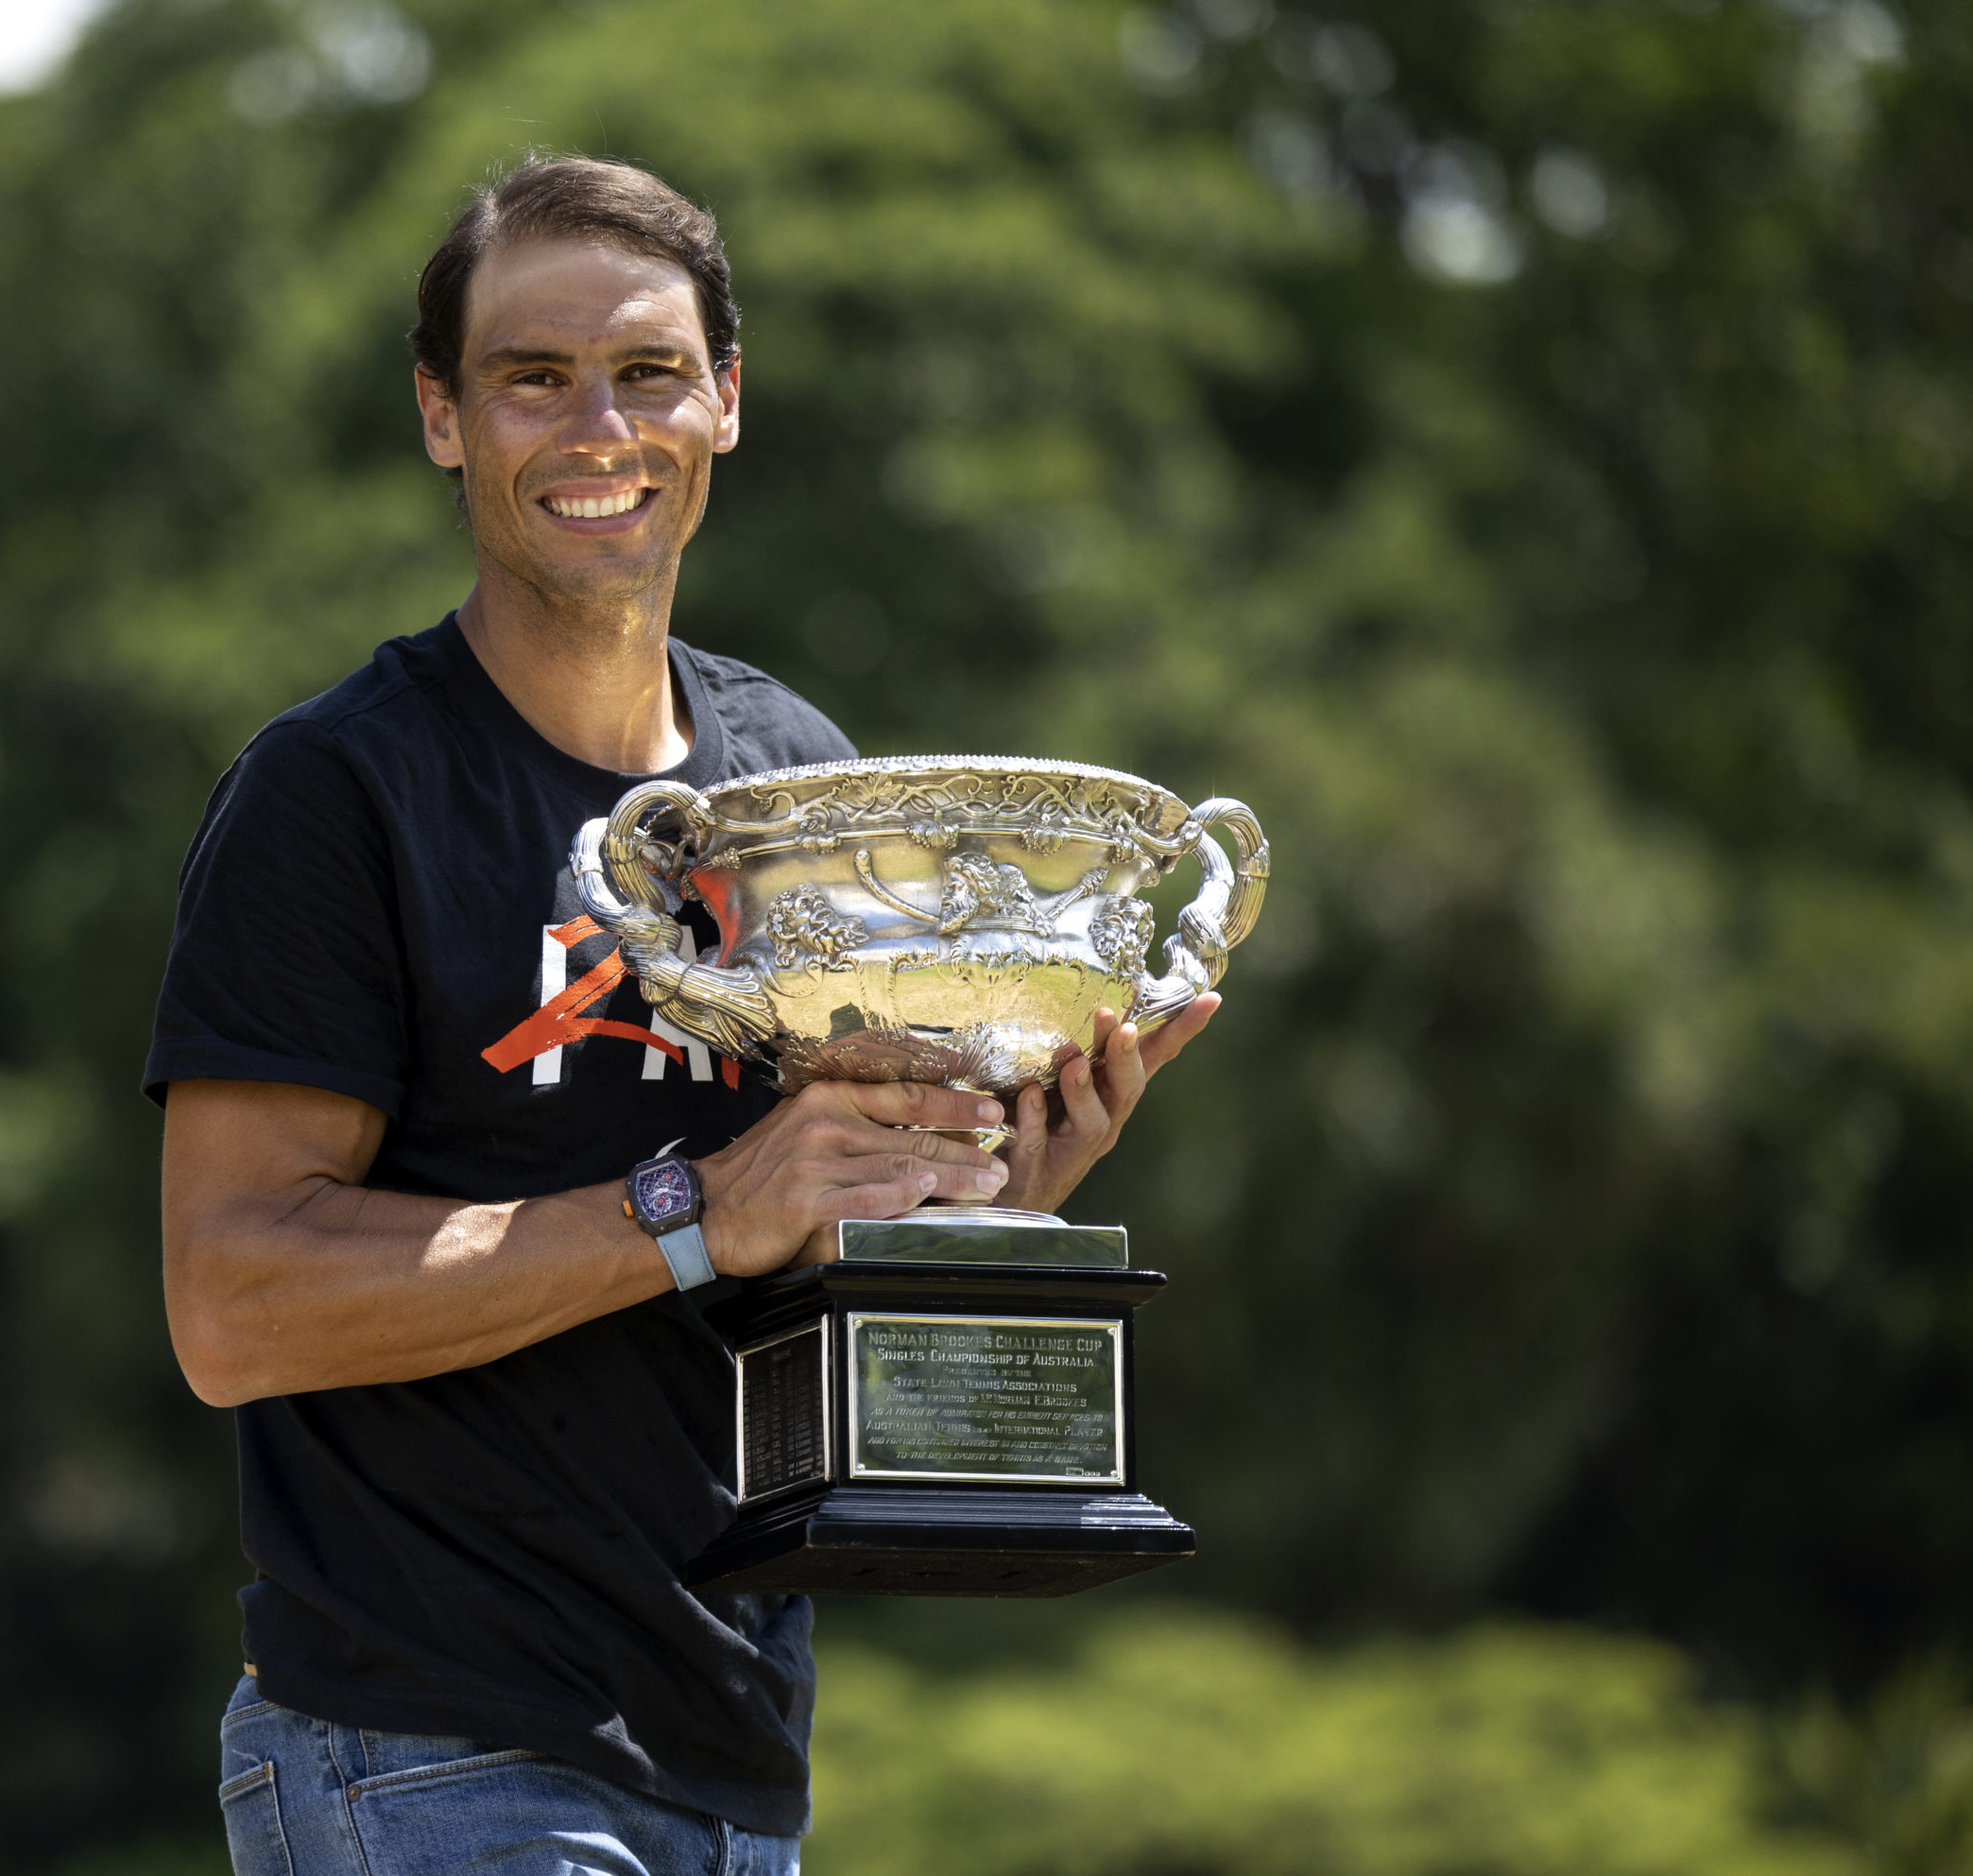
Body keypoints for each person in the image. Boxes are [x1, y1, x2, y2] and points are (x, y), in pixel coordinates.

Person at [145, 154, 1218, 1876]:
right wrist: (697, 1206)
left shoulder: (795, 785)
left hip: (739, 1762)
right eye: (533, 376)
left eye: (648, 372)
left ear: (724, 400)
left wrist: (976, 1192)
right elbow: (232, 1302)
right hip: (432, 1747)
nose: (601, 429)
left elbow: (788, 1259)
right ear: (441, 417)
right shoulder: (336, 794)